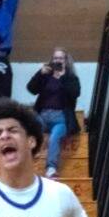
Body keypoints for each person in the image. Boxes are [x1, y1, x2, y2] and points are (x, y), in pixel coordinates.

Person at [27, 47, 81, 179]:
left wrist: (62, 78)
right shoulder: (46, 76)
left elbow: (75, 94)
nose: (58, 61)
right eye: (55, 58)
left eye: (61, 58)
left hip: (60, 118)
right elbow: (31, 89)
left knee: (54, 138)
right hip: (42, 115)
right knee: (29, 131)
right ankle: (27, 166)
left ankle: (51, 169)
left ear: (66, 61)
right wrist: (40, 73)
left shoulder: (71, 77)